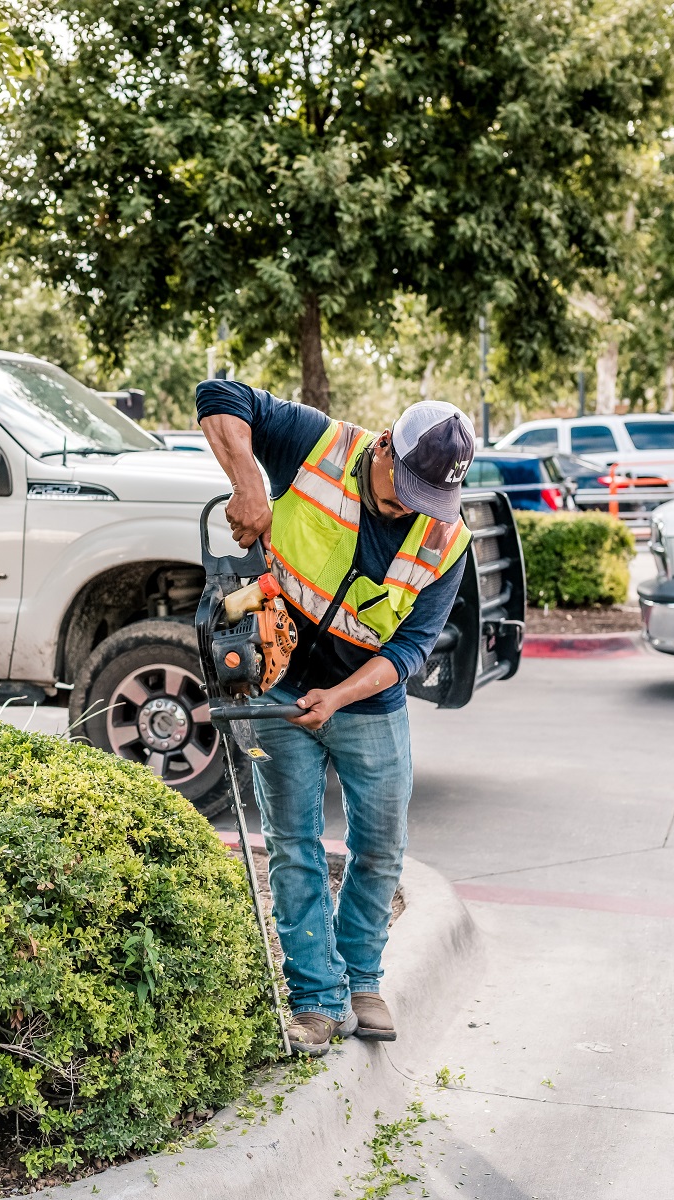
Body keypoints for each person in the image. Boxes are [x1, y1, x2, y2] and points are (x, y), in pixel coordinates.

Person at [198, 380, 473, 1056]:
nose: (411, 511)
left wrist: (341, 697)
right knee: (294, 848)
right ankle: (316, 1001)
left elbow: (411, 647)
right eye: (400, 493)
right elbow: (218, 396)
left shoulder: (447, 539)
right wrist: (250, 485)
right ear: (383, 447)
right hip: (279, 684)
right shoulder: (316, 443)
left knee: (380, 849)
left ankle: (359, 980)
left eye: (427, 501)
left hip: (367, 703)